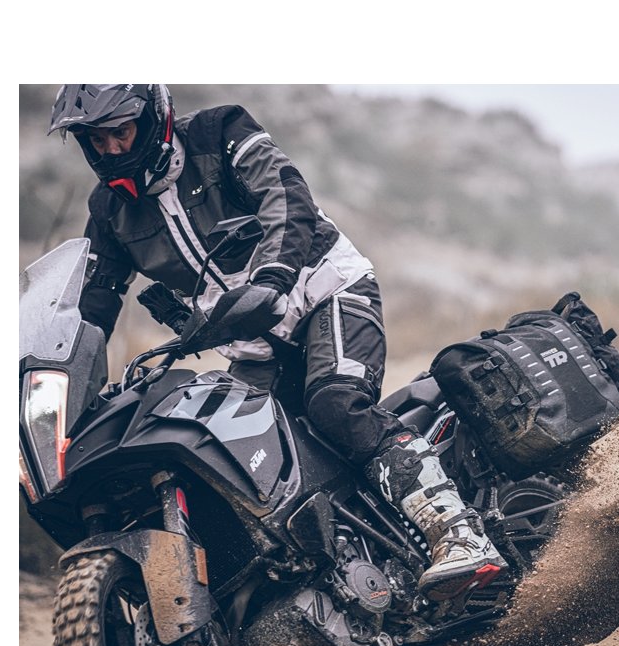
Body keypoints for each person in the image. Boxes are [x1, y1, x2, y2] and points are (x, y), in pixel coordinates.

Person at [47, 84, 506, 601]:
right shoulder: (109, 209)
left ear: (154, 117)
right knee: (232, 458)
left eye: (121, 132)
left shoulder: (219, 132)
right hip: (252, 347)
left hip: (324, 292)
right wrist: (62, 384)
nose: (111, 149)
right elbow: (92, 305)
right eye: (96, 139)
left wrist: (273, 278)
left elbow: (285, 197)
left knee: (336, 405)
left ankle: (458, 533)